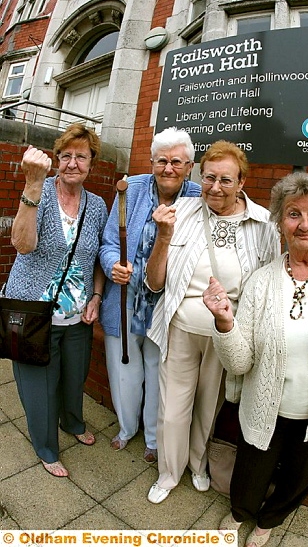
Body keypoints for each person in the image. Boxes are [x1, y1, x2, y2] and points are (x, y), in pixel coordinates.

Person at [203, 171, 308, 547]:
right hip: (264, 408)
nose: (304, 224)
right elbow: (240, 363)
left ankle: (268, 522)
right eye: (293, 214)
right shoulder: (261, 281)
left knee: (299, 478)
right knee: (250, 473)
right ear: (280, 222)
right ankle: (241, 513)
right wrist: (225, 323)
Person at [145, 140, 280, 504]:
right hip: (180, 327)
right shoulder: (181, 211)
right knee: (172, 408)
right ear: (199, 177)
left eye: (225, 179)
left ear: (242, 182)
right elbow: (154, 282)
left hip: (226, 335)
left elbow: (270, 287)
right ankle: (169, 473)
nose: (215, 187)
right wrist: (163, 236)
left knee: (209, 407)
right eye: (209, 178)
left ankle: (198, 464)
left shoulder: (264, 225)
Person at [6, 123, 108, 478]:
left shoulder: (97, 205)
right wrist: (32, 185)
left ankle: (74, 423)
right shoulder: (40, 191)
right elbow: (22, 244)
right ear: (56, 159)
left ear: (91, 163)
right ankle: (46, 446)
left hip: (77, 313)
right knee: (40, 384)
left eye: (81, 156)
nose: (73, 163)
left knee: (74, 376)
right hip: (34, 311)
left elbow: (96, 257)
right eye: (66, 155)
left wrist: (96, 295)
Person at [98, 127, 201, 462]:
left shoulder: (199, 197)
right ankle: (127, 427)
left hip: (166, 304)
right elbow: (110, 243)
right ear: (152, 162)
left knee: (159, 372)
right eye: (161, 161)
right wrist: (114, 264)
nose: (167, 169)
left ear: (189, 166)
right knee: (123, 365)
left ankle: (154, 439)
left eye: (175, 162)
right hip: (124, 300)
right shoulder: (132, 190)